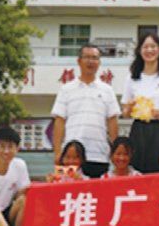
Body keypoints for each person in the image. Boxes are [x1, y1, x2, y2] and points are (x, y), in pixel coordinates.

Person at [51, 43, 120, 178]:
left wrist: (115, 152)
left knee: (98, 191)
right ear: (79, 61)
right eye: (87, 57)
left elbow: (112, 123)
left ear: (99, 62)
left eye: (94, 58)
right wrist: (58, 152)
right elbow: (59, 121)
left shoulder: (107, 90)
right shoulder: (66, 89)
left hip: (99, 155)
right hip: (70, 157)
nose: (90, 61)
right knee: (68, 190)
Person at [121, 33, 159, 173]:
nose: (149, 50)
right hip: (138, 129)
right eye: (145, 47)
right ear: (139, 50)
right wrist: (129, 108)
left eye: (153, 46)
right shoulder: (132, 77)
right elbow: (125, 113)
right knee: (136, 170)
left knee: (158, 170)